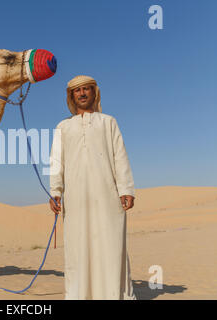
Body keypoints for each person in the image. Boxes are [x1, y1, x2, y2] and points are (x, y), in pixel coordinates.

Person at [49, 75, 136, 300]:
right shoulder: (63, 127)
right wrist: (55, 191)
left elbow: (120, 157)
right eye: (77, 91)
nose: (82, 93)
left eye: (86, 89)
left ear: (94, 92)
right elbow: (56, 161)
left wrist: (126, 188)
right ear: (71, 96)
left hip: (107, 194)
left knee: (110, 244)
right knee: (79, 248)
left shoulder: (108, 122)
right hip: (76, 198)